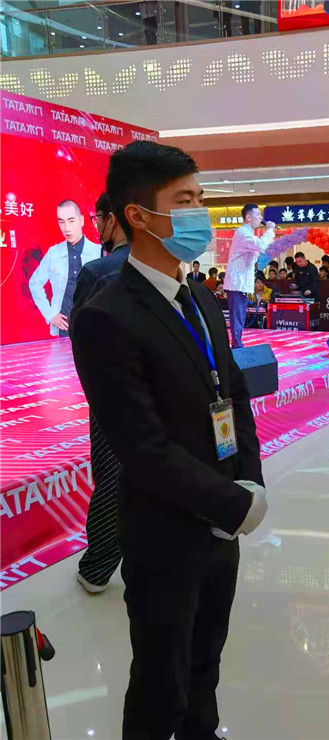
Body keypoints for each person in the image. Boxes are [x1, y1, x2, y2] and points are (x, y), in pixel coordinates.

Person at [71, 141, 268, 739]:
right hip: (164, 535)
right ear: (138, 215)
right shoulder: (106, 317)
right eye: (184, 201)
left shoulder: (201, 296)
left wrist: (249, 479)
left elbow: (233, 392)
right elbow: (142, 448)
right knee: (161, 683)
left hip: (222, 528)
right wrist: (232, 504)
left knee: (207, 665)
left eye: (200, 199)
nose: (199, 213)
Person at [69, 193, 129, 592]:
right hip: (169, 392)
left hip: (115, 395)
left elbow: (82, 341)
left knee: (112, 477)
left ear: (112, 219)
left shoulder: (98, 272)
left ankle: (97, 567)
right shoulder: (169, 270)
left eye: (97, 218)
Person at [29, 199, 100, 337]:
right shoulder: (53, 253)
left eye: (71, 221)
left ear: (81, 221)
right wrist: (50, 314)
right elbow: (34, 283)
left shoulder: (98, 252)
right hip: (65, 328)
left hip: (93, 325)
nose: (66, 228)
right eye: (61, 222)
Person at [224, 203, 275, 348]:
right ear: (248, 217)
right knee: (237, 316)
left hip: (242, 283)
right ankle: (237, 345)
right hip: (236, 283)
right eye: (258, 214)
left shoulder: (249, 234)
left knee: (240, 316)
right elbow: (260, 245)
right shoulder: (242, 233)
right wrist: (269, 230)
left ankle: (237, 344)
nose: (260, 217)